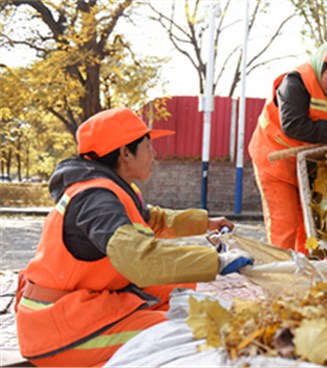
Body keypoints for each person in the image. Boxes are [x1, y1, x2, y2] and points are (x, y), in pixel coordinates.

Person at [14, 107, 253, 366]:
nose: (155, 154)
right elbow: (140, 261)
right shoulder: (96, 200)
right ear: (125, 153)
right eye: (148, 146)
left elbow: (154, 219)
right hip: (61, 331)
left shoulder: (110, 189)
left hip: (74, 307)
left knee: (174, 288)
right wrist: (217, 262)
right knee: (190, 332)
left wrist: (206, 223)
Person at [248, 41, 327, 253]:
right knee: (285, 225)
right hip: (274, 160)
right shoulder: (295, 82)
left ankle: (304, 278)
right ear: (321, 67)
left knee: (309, 226)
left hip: (308, 165)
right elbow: (292, 125)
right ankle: (278, 282)